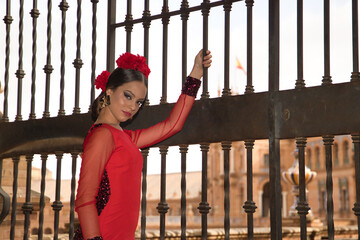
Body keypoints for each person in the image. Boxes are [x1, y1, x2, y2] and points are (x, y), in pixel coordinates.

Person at [74, 50, 212, 240]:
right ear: (109, 91)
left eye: (139, 102)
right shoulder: (102, 135)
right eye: (128, 96)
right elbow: (84, 199)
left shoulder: (124, 137)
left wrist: (196, 73)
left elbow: (173, 125)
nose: (132, 107)